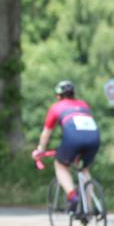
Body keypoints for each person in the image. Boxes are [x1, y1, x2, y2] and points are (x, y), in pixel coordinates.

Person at [32, 80, 100, 214]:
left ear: (58, 96)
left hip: (73, 139)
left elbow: (46, 133)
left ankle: (72, 196)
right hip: (94, 138)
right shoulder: (83, 104)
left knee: (60, 165)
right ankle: (90, 207)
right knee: (84, 169)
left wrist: (40, 149)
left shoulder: (56, 107)